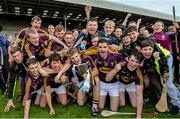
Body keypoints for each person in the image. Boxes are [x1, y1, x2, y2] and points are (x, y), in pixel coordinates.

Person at [152, 21, 180, 115]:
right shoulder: (151, 37)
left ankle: (177, 105)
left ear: (163, 27)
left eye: (159, 25)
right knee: (167, 82)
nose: (157, 26)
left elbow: (177, 35)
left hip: (167, 59)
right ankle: (178, 96)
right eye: (155, 25)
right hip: (158, 60)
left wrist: (178, 28)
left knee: (167, 83)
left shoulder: (168, 35)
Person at [105, 50, 144, 118]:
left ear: (139, 64)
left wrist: (139, 116)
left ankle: (127, 95)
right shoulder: (121, 64)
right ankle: (113, 96)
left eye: (137, 62)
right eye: (132, 60)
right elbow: (107, 79)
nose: (133, 64)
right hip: (120, 83)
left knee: (135, 105)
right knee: (122, 104)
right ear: (128, 59)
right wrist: (114, 70)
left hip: (130, 84)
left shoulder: (139, 74)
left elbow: (139, 95)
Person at [90, 38, 126, 112]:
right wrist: (93, 68)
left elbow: (125, 60)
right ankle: (103, 98)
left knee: (114, 109)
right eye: (100, 47)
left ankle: (110, 98)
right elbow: (84, 56)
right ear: (97, 48)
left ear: (108, 47)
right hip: (102, 84)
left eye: (104, 47)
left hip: (114, 84)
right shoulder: (94, 56)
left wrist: (119, 64)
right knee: (100, 107)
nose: (102, 49)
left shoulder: (115, 56)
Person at [68, 48, 99, 116]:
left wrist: (88, 76)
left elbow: (96, 71)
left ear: (79, 54)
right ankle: (88, 95)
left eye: (76, 56)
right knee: (80, 103)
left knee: (96, 79)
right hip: (82, 84)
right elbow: (72, 80)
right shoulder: (71, 66)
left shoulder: (87, 58)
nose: (75, 60)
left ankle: (94, 105)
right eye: (72, 58)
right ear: (70, 59)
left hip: (91, 81)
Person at [4, 47, 27, 112]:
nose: (17, 58)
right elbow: (11, 82)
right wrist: (10, 99)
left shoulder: (28, 58)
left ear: (22, 54)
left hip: (37, 80)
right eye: (14, 56)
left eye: (18, 55)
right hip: (25, 81)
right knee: (23, 103)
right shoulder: (13, 66)